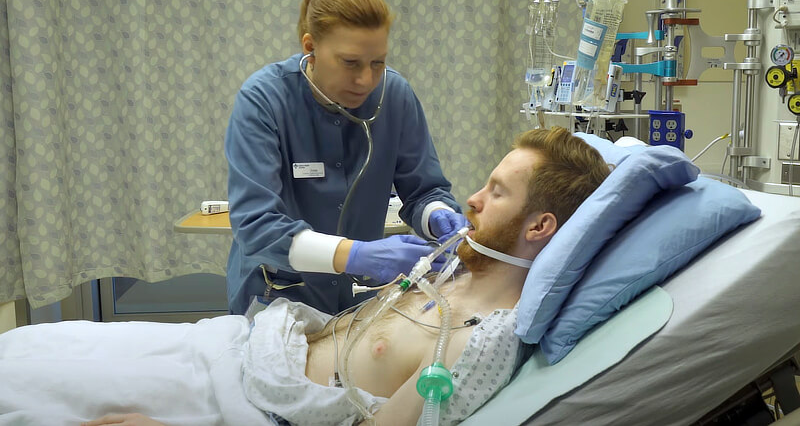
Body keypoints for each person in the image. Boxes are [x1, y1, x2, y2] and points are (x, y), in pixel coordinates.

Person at [0, 127, 611, 426]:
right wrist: (408, 234)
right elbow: (257, 219)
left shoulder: (482, 342)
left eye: (496, 193)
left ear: (539, 228)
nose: (472, 199)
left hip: (239, 408)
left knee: (20, 392)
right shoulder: (452, 264)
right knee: (24, 348)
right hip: (229, 348)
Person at [224, 0, 467, 316]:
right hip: (279, 296)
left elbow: (424, 190)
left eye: (377, 63)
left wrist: (438, 215)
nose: (366, 80)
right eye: (350, 63)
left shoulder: (394, 96)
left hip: (361, 299)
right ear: (310, 47)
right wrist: (357, 255)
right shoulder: (263, 100)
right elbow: (257, 227)